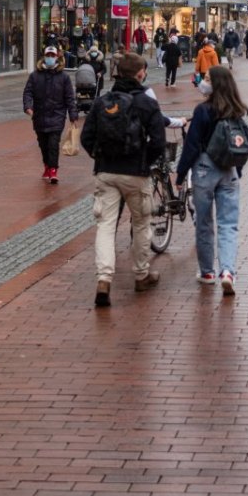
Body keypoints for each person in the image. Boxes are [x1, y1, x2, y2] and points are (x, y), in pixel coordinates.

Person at [79, 52, 166, 307]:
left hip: (106, 172)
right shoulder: (147, 104)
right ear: (140, 74)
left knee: (106, 226)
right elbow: (159, 142)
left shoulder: (102, 101)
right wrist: (144, 161)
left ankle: (104, 279)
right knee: (141, 224)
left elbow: (87, 137)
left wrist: (99, 156)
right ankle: (141, 275)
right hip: (136, 173)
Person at [176, 65, 246, 294]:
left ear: (215, 83)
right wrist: (239, 169)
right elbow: (241, 141)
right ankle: (227, 271)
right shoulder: (236, 110)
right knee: (228, 224)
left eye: (206, 78)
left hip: (205, 168)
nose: (202, 81)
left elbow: (192, 145)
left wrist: (180, 173)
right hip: (228, 169)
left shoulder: (203, 110)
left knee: (204, 222)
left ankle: (207, 272)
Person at [23, 46, 78, 184]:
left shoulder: (64, 77)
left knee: (53, 144)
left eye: (52, 55)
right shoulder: (35, 76)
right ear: (44, 56)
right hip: (39, 116)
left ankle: (53, 170)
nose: (50, 58)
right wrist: (28, 107)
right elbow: (28, 92)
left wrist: (73, 115)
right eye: (48, 55)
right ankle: (47, 165)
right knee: (43, 144)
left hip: (57, 115)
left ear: (57, 57)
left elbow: (70, 97)